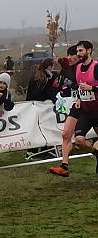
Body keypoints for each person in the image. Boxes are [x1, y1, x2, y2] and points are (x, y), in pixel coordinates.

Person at [50, 40, 98, 177]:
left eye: (79, 51)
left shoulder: (95, 67)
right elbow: (77, 87)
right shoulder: (74, 69)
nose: (75, 55)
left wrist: (92, 88)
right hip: (82, 107)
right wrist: (78, 97)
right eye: (75, 52)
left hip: (96, 108)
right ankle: (64, 166)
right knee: (70, 136)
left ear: (88, 51)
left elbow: (88, 87)